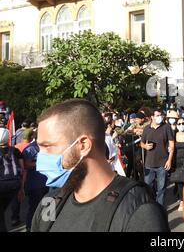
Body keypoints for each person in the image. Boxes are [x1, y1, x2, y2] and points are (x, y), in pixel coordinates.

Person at [31, 99, 170, 232]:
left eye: (48, 147)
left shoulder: (138, 212)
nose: (40, 157)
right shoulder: (50, 202)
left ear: (83, 145)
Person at [140, 109, 174, 206]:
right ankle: (150, 207)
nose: (160, 117)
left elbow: (171, 144)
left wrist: (169, 160)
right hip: (149, 163)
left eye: (161, 115)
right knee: (148, 187)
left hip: (162, 163)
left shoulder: (166, 127)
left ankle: (160, 208)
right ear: (152, 117)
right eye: (158, 115)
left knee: (161, 189)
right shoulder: (147, 129)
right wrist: (145, 146)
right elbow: (141, 143)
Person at [21, 137, 49, 232]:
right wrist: (41, 163)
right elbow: (25, 164)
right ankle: (30, 227)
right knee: (35, 207)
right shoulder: (30, 149)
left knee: (49, 205)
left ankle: (47, 227)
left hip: (49, 183)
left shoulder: (48, 147)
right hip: (35, 184)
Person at [0, 128, 24, 232]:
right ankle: (15, 218)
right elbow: (22, 169)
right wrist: (22, 187)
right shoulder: (15, 150)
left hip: (1, 185)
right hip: (15, 184)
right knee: (14, 203)